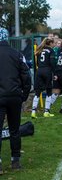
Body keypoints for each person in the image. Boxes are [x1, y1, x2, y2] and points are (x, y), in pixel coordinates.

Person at [0, 28, 31, 172]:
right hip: (14, 97)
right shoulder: (17, 54)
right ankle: (15, 160)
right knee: (14, 130)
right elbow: (26, 75)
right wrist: (23, 95)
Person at [31, 38, 56, 118]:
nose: (54, 44)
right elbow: (52, 63)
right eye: (53, 43)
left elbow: (37, 63)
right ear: (50, 43)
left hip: (39, 71)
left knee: (37, 92)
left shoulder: (39, 50)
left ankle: (33, 112)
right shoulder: (51, 51)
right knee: (49, 91)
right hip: (47, 71)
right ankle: (46, 111)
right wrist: (54, 73)